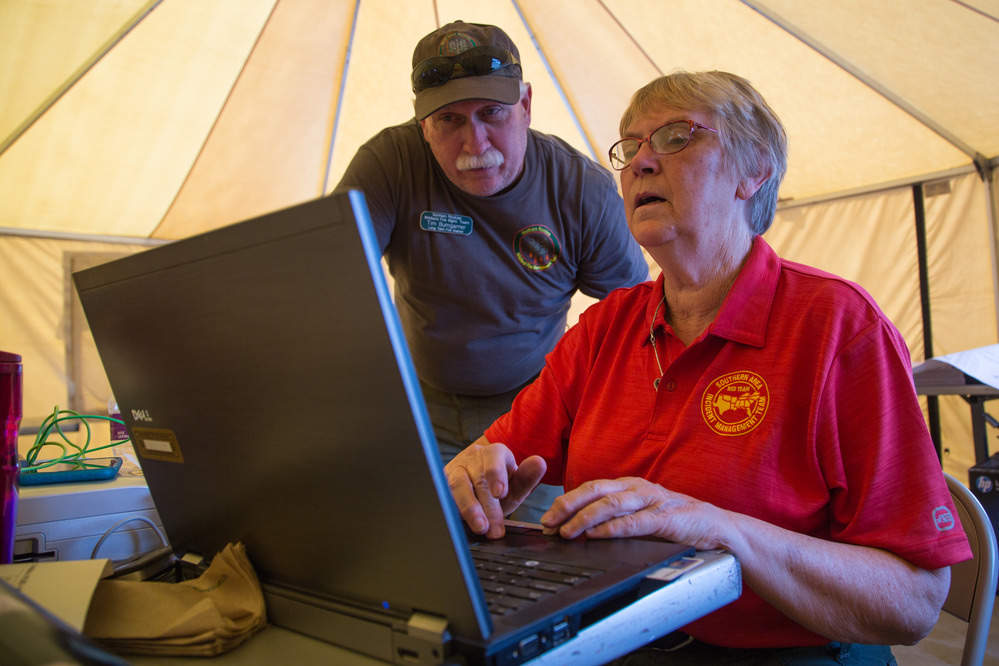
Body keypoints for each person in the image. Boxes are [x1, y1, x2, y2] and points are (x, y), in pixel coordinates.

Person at [444, 70, 972, 664]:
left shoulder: (839, 327)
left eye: (675, 137)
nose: (641, 163)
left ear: (754, 171)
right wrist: (470, 476)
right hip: (619, 640)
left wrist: (719, 530)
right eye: (630, 148)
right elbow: (494, 460)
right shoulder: (604, 328)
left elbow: (914, 603)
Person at [335, 21, 649, 521]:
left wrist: (578, 405)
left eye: (491, 113)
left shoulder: (579, 189)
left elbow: (635, 318)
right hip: (418, 404)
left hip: (532, 408)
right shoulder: (391, 163)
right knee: (423, 543)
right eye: (448, 120)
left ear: (525, 105)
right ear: (422, 126)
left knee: (525, 548)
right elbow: (328, 277)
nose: (474, 143)